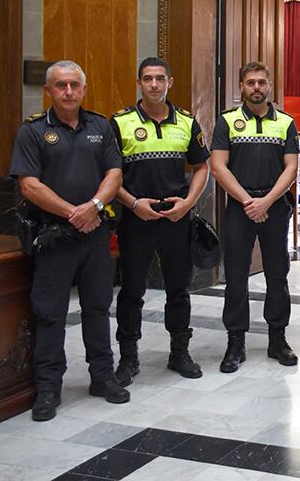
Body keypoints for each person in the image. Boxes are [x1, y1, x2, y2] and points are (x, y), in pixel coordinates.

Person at [10, 60, 129, 421]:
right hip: (54, 237)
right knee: (50, 315)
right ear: (49, 90)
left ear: (84, 88)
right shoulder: (32, 131)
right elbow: (29, 184)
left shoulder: (100, 125)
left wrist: (93, 207)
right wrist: (71, 212)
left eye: (74, 85)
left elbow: (115, 172)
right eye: (60, 85)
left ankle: (102, 377)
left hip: (94, 234)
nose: (68, 92)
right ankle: (48, 389)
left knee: (97, 307)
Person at [111, 58, 210, 385]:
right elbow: (109, 175)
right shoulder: (120, 122)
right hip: (136, 219)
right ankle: (128, 358)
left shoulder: (186, 121)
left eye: (159, 79)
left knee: (179, 289)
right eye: (147, 79)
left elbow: (201, 168)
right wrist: (134, 203)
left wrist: (189, 203)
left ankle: (179, 352)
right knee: (131, 291)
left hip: (176, 218)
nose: (154, 84)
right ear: (139, 82)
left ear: (170, 81)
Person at [210, 62, 300, 372]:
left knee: (277, 274)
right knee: (236, 276)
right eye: (250, 82)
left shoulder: (285, 123)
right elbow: (218, 166)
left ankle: (278, 339)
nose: (257, 87)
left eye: (262, 82)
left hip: (275, 206)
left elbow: (291, 167)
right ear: (241, 86)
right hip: (240, 205)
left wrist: (267, 201)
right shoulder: (226, 122)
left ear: (270, 85)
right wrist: (249, 201)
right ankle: (236, 341)